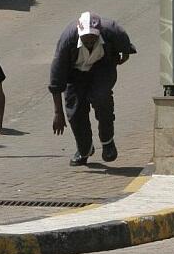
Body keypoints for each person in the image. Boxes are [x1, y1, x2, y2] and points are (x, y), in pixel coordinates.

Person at [49, 11, 136, 166]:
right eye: (85, 37)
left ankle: (107, 140)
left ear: (99, 32)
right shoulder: (67, 41)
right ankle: (84, 149)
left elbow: (125, 45)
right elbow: (56, 78)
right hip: (75, 75)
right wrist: (58, 113)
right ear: (79, 32)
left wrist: (125, 55)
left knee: (102, 97)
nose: (89, 41)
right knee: (75, 112)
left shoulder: (111, 30)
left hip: (102, 68)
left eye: (93, 37)